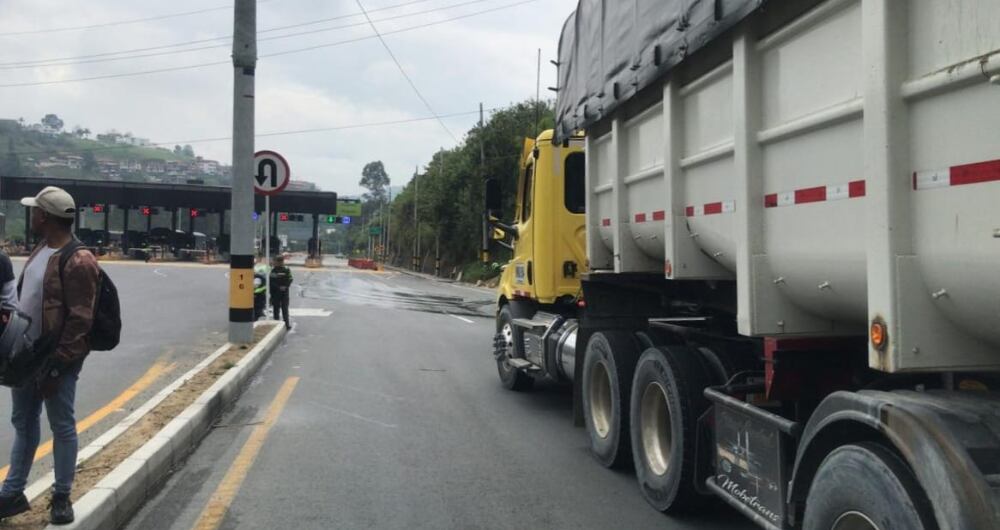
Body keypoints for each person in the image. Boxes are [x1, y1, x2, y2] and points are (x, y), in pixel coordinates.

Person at [0, 186, 99, 525]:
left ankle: (61, 495)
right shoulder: (41, 249)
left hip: (56, 359)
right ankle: (12, 492)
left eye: (34, 211)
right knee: (23, 423)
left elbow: (81, 320)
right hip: (26, 355)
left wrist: (58, 367)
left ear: (43, 216)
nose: (31, 216)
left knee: (61, 424)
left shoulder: (79, 259)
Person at [269, 255, 293, 330]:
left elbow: (290, 278)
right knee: (276, 308)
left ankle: (286, 324)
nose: (274, 263)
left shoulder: (286, 270)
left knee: (284, 308)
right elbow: (271, 281)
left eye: (275, 261)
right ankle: (276, 324)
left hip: (283, 292)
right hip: (276, 292)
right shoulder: (273, 270)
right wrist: (279, 287)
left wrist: (285, 286)